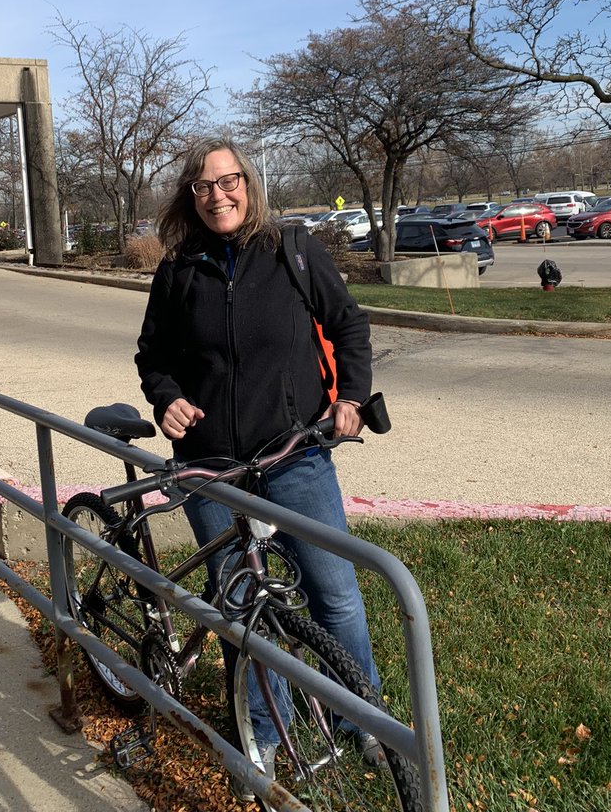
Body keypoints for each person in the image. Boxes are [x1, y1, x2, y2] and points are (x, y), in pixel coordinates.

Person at [135, 136, 384, 788]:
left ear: (248, 183)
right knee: (241, 605)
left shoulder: (293, 250)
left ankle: (364, 724)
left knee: (335, 594)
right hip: (210, 466)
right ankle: (263, 734)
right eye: (203, 185)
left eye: (229, 181)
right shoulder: (178, 269)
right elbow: (153, 356)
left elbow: (349, 324)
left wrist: (351, 396)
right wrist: (167, 398)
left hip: (294, 454)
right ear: (190, 196)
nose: (218, 194)